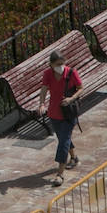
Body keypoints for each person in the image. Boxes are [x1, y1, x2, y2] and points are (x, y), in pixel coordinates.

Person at [37, 51, 82, 187]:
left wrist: (71, 99)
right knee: (64, 137)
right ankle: (74, 158)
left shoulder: (71, 72)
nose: (61, 67)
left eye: (62, 64)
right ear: (51, 64)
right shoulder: (48, 74)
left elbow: (80, 88)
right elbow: (44, 89)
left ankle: (60, 174)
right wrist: (41, 103)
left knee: (63, 141)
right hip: (54, 113)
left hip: (68, 113)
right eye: (57, 64)